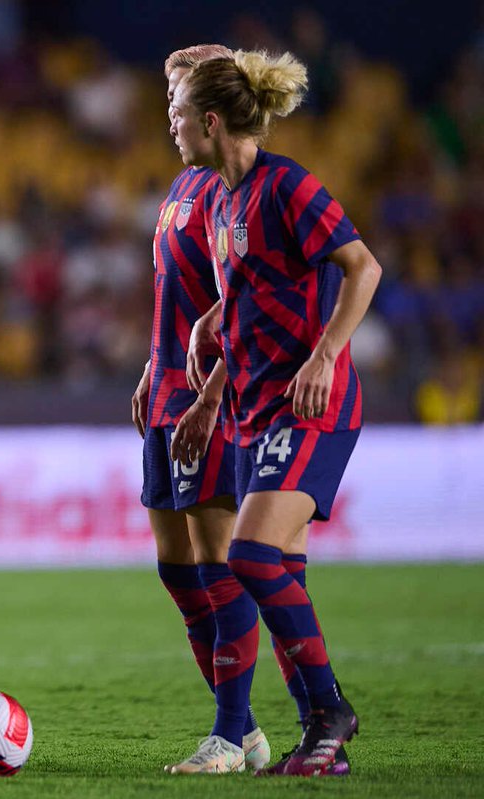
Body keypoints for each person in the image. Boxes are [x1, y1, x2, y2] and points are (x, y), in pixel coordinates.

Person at [138, 45, 350, 777]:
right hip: (175, 389)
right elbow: (208, 292)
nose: (167, 110)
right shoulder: (196, 189)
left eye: (178, 97)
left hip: (240, 396)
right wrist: (158, 360)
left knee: (236, 560)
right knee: (182, 569)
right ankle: (302, 729)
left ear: (208, 110)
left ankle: (239, 729)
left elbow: (318, 276)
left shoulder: (258, 185)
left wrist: (214, 386)